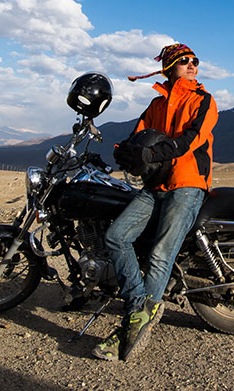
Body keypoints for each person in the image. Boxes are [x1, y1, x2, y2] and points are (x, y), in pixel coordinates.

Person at [93, 42, 218, 362]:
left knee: (162, 252)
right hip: (155, 186)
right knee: (116, 236)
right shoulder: (155, 105)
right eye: (184, 61)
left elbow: (192, 139)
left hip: (187, 185)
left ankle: (136, 322)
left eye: (195, 61)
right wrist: (124, 152)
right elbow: (137, 137)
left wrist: (152, 153)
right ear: (168, 67)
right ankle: (140, 306)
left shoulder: (203, 101)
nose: (192, 65)